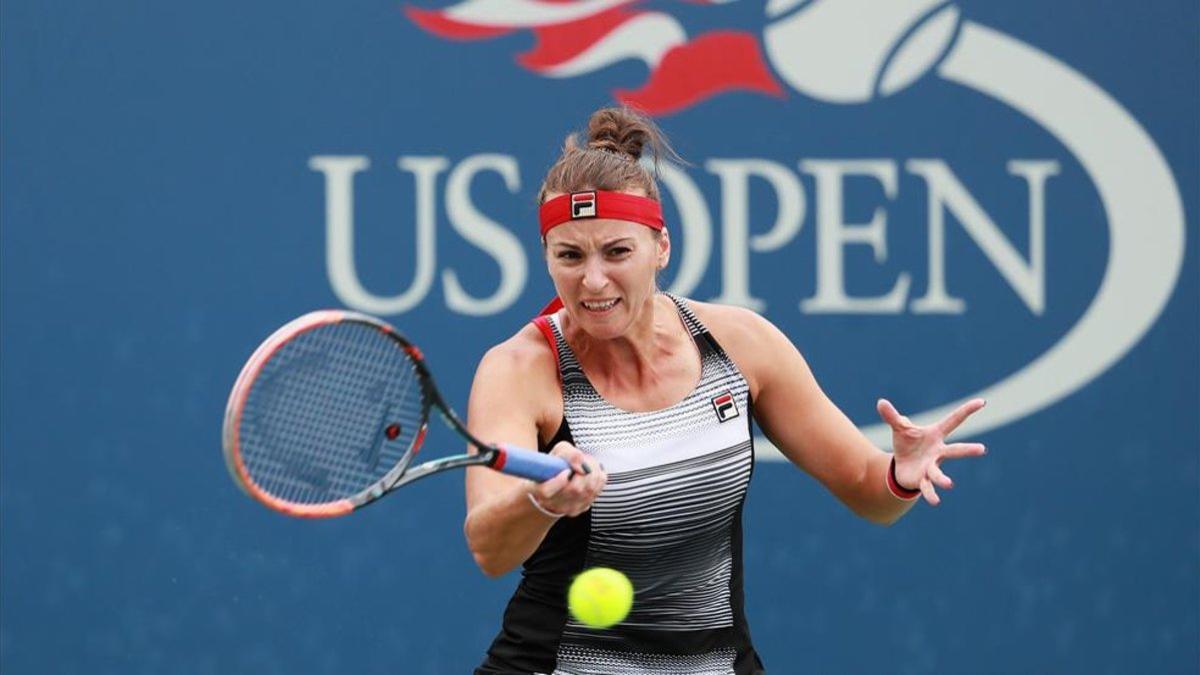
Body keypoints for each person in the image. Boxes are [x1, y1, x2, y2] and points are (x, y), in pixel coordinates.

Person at [464, 107, 986, 675]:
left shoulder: (740, 343)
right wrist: (542, 499)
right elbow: (490, 548)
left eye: (617, 252)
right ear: (547, 257)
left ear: (660, 248)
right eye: (569, 255)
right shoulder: (518, 370)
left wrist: (900, 474)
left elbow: (867, 489)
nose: (592, 280)